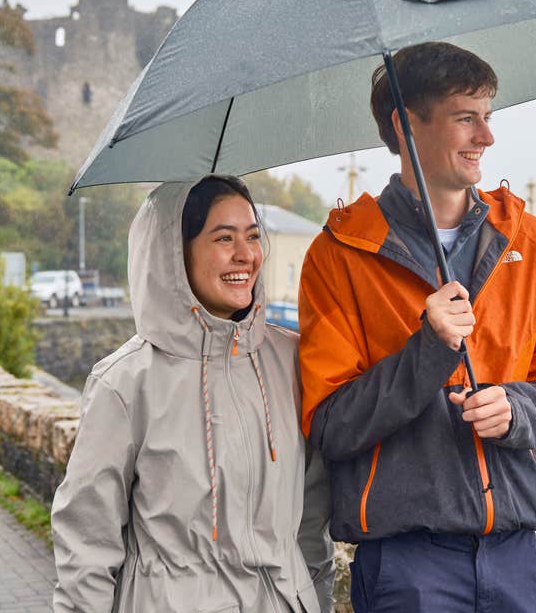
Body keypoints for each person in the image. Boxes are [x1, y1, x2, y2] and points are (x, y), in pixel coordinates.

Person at [298, 42, 536, 612]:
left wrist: (517, 410)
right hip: (407, 567)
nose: (486, 137)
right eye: (466, 118)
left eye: (488, 117)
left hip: (516, 558)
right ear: (407, 126)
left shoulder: (531, 243)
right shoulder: (337, 256)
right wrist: (427, 350)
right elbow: (330, 425)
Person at [52, 175, 335, 612]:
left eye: (253, 236)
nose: (246, 255)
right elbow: (87, 544)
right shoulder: (125, 383)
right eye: (224, 238)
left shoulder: (292, 361)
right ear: (174, 254)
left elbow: (312, 522)